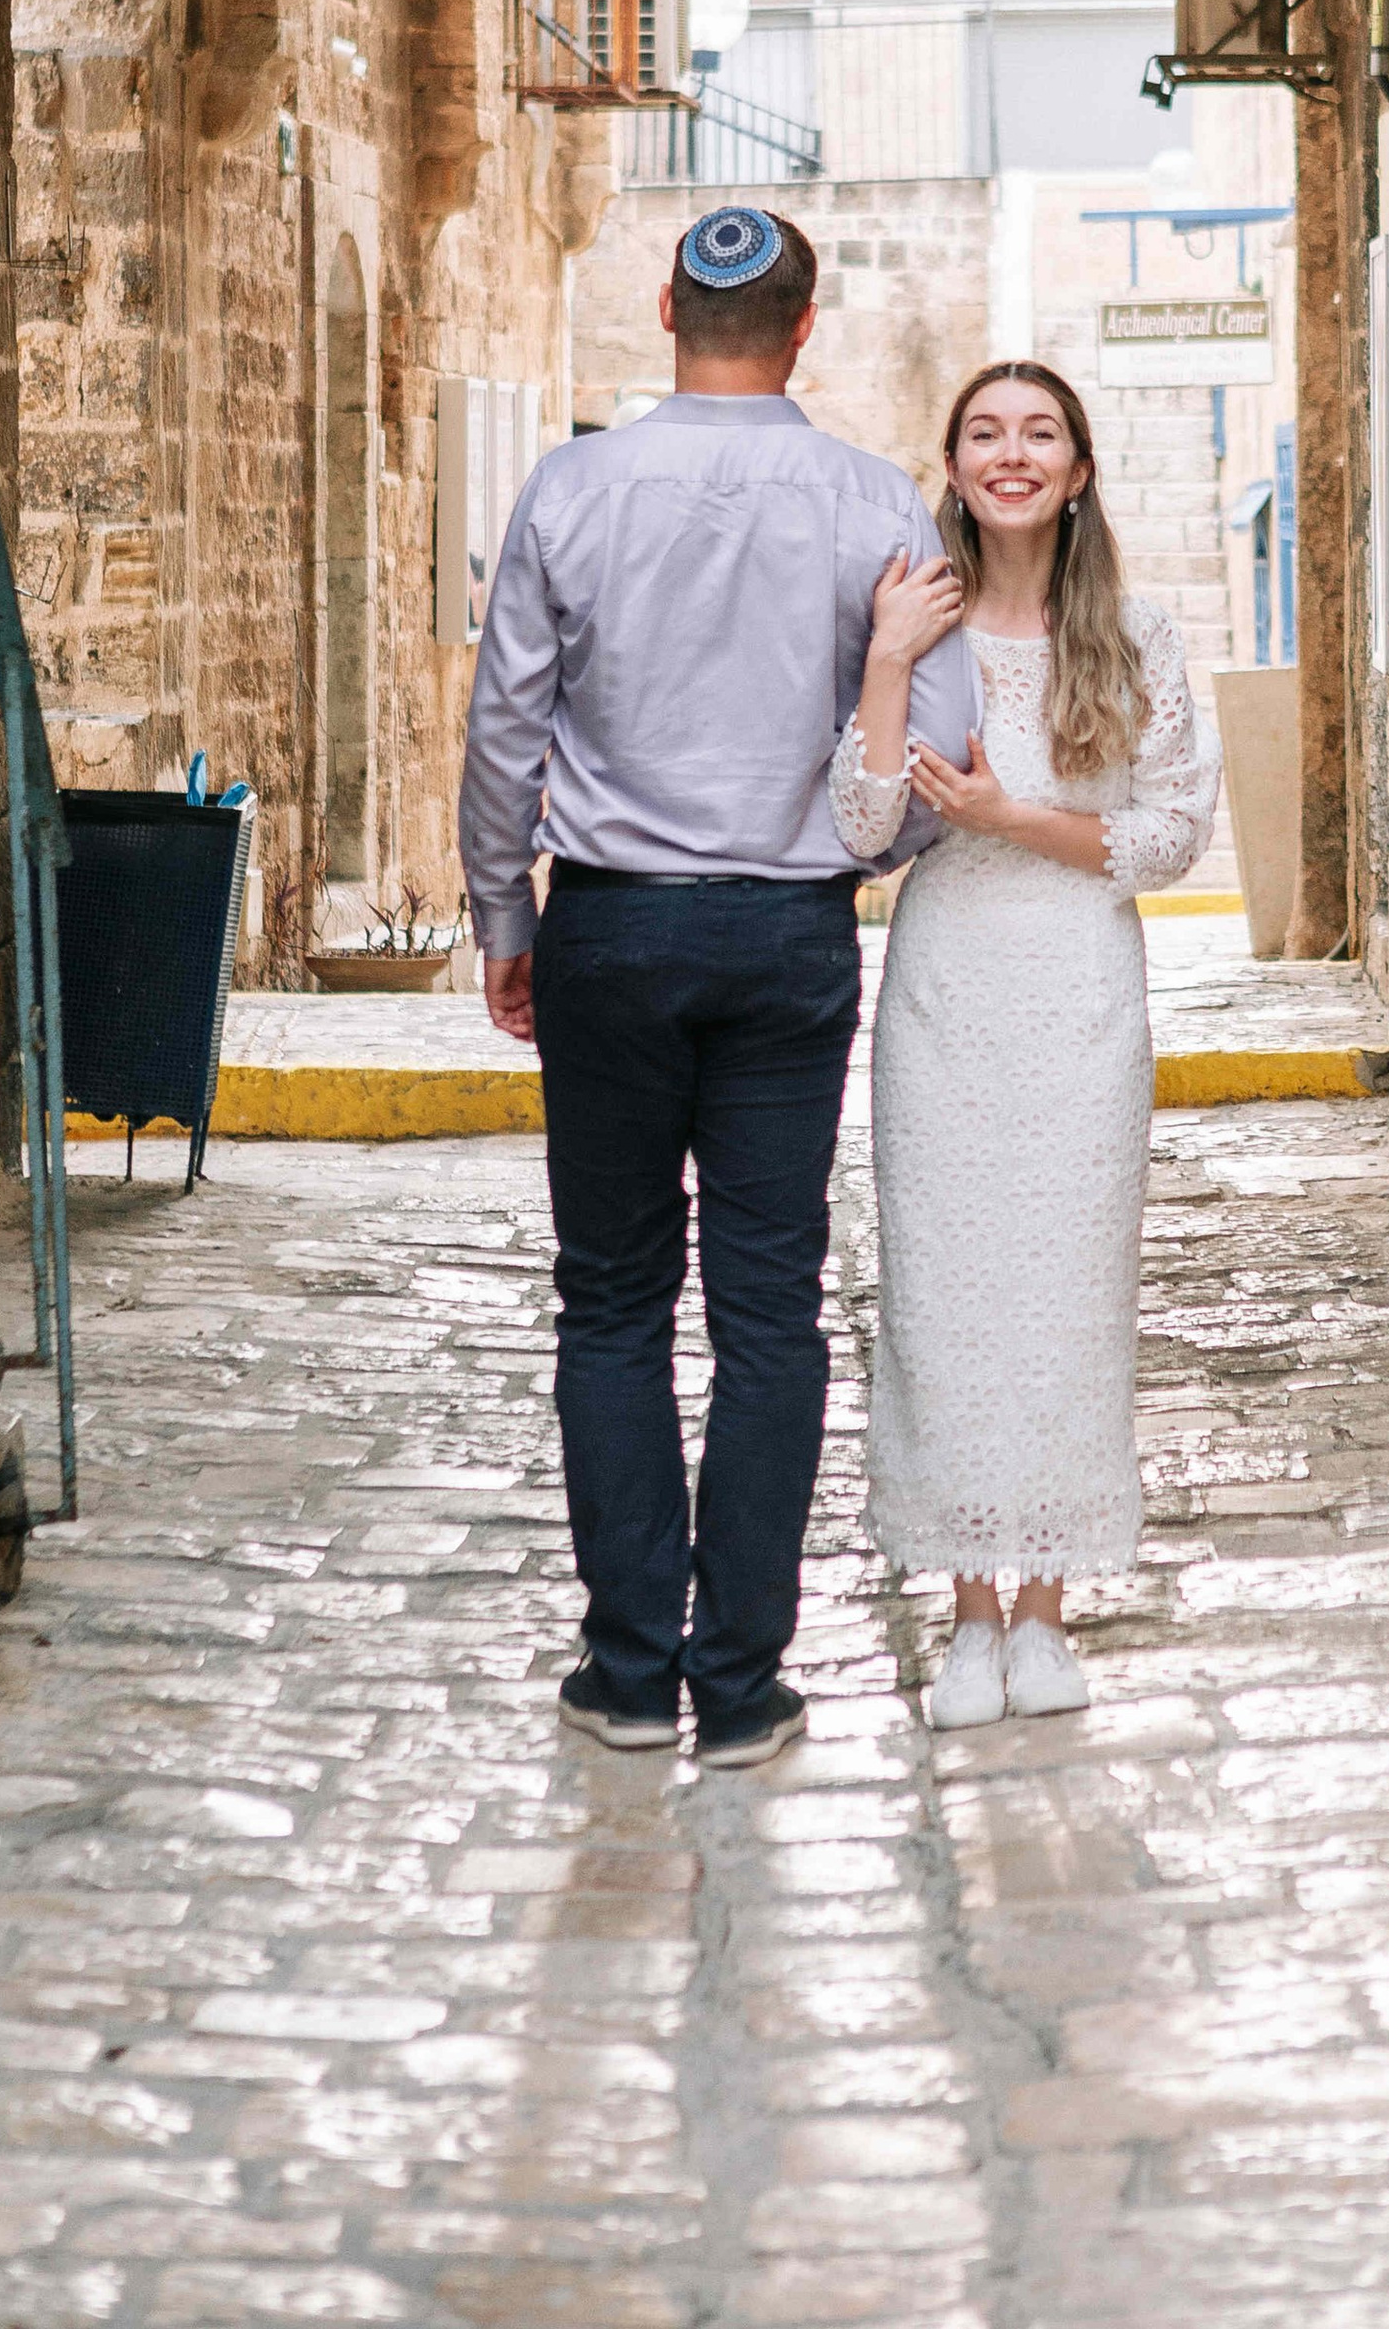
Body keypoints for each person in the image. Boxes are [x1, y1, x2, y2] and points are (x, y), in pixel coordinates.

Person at [458, 204, 974, 1769]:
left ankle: (627, 1671)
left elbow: (503, 736)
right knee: (771, 1311)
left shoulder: (574, 487)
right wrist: (838, 870)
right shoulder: (876, 504)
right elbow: (933, 762)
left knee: (611, 1297)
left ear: (669, 306)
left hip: (609, 931)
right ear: (806, 325)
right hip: (785, 938)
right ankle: (740, 1680)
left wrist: (505, 916)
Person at [831, 360, 1217, 1727]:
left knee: (1067, 1296)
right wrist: (883, 658)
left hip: (1078, 993)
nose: (1012, 453)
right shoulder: (916, 630)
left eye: (1038, 432)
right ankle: (967, 1615)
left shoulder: (1140, 636)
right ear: (954, 462)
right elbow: (863, 827)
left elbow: (1169, 837)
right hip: (945, 998)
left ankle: (1048, 1607)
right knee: (941, 1300)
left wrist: (1010, 818)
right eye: (986, 432)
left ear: (1079, 468)